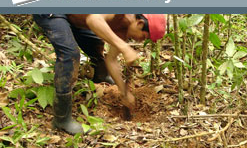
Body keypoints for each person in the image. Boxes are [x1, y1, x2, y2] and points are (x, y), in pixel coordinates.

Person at [33, 14, 166, 135]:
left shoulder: (124, 29)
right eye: (143, 37)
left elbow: (112, 60)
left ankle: (100, 77)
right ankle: (61, 119)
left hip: (76, 18)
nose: (140, 41)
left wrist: (124, 92)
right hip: (54, 12)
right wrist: (124, 47)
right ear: (140, 23)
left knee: (95, 43)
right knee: (70, 55)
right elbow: (93, 20)